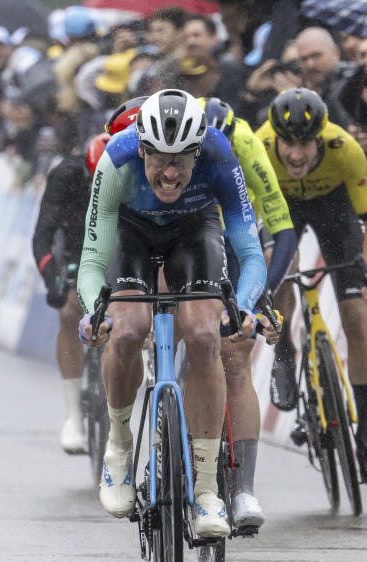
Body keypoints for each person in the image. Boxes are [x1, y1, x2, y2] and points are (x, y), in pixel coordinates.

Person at [77, 89, 266, 537]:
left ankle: (206, 493)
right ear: (141, 147)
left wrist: (245, 307)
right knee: (125, 331)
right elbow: (91, 259)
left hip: (195, 228)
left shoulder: (220, 155)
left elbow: (249, 249)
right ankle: (119, 449)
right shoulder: (116, 161)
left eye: (182, 159)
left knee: (205, 336)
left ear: (198, 151)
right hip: (132, 231)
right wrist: (92, 313)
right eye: (159, 157)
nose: (168, 172)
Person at [257, 88, 367, 483]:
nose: (297, 155)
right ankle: (284, 349)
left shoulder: (344, 148)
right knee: (280, 266)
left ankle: (365, 440)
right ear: (275, 138)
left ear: (320, 138)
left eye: (306, 144)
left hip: (334, 207)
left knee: (356, 316)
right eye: (289, 144)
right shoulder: (258, 147)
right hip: (281, 204)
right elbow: (247, 223)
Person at [200, 97, 297, 527]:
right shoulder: (168, 154)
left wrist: (261, 298)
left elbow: (279, 228)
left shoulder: (246, 145)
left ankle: (243, 490)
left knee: (235, 354)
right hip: (184, 234)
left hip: (233, 233)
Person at [32, 132, 109, 453]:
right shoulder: (66, 175)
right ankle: (73, 415)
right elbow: (42, 237)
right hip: (78, 248)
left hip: (118, 245)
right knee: (70, 312)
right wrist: (52, 282)